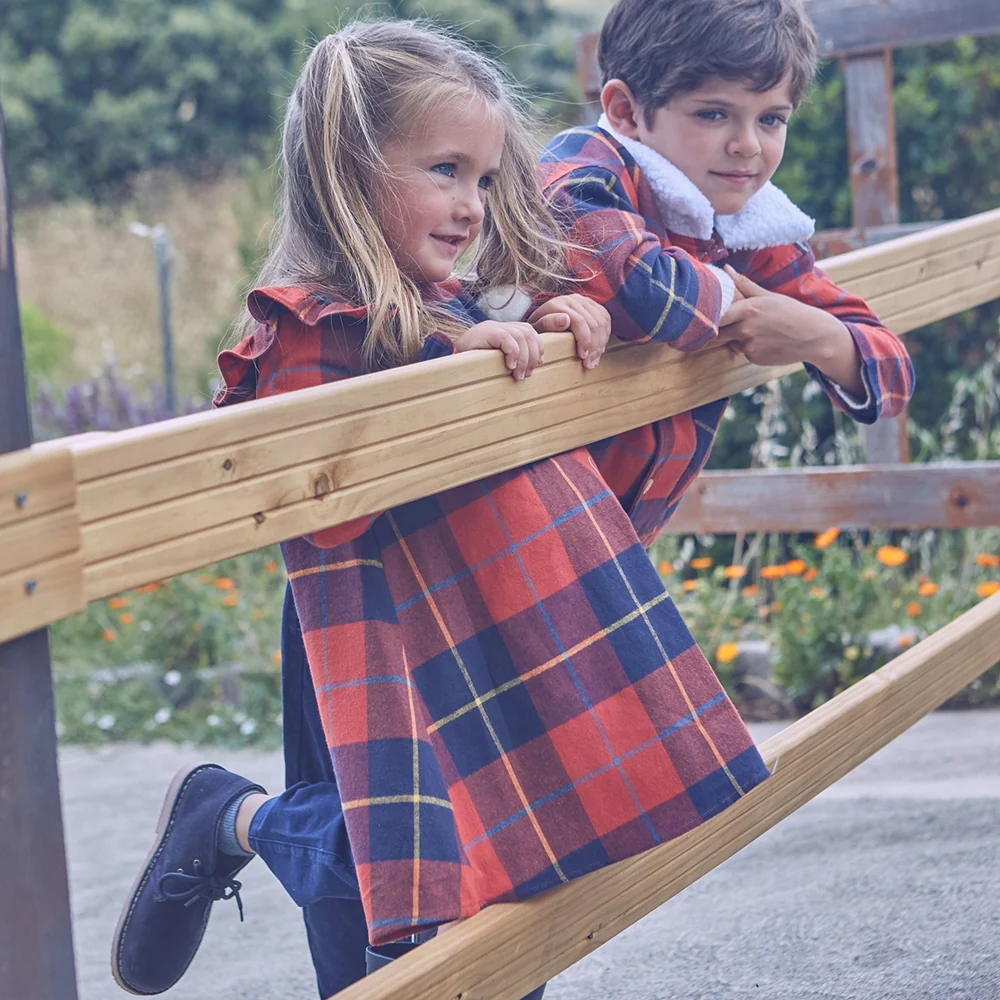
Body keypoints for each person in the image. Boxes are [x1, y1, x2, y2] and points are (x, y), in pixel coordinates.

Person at [111, 19, 771, 999]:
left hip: (475, 621)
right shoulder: (305, 324)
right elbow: (312, 496)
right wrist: (433, 376)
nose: (472, 204)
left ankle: (237, 819)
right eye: (446, 170)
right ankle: (233, 818)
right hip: (367, 632)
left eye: (486, 177)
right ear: (350, 168)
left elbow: (511, 431)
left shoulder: (453, 306)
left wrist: (541, 334)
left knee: (532, 859)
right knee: (405, 886)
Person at [539, 0, 915, 547]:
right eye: (713, 114)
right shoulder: (581, 171)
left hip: (616, 537)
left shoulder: (743, 223)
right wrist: (731, 294)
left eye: (771, 119)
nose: (748, 145)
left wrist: (817, 335)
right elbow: (650, 297)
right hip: (499, 511)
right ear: (624, 110)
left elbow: (894, 374)